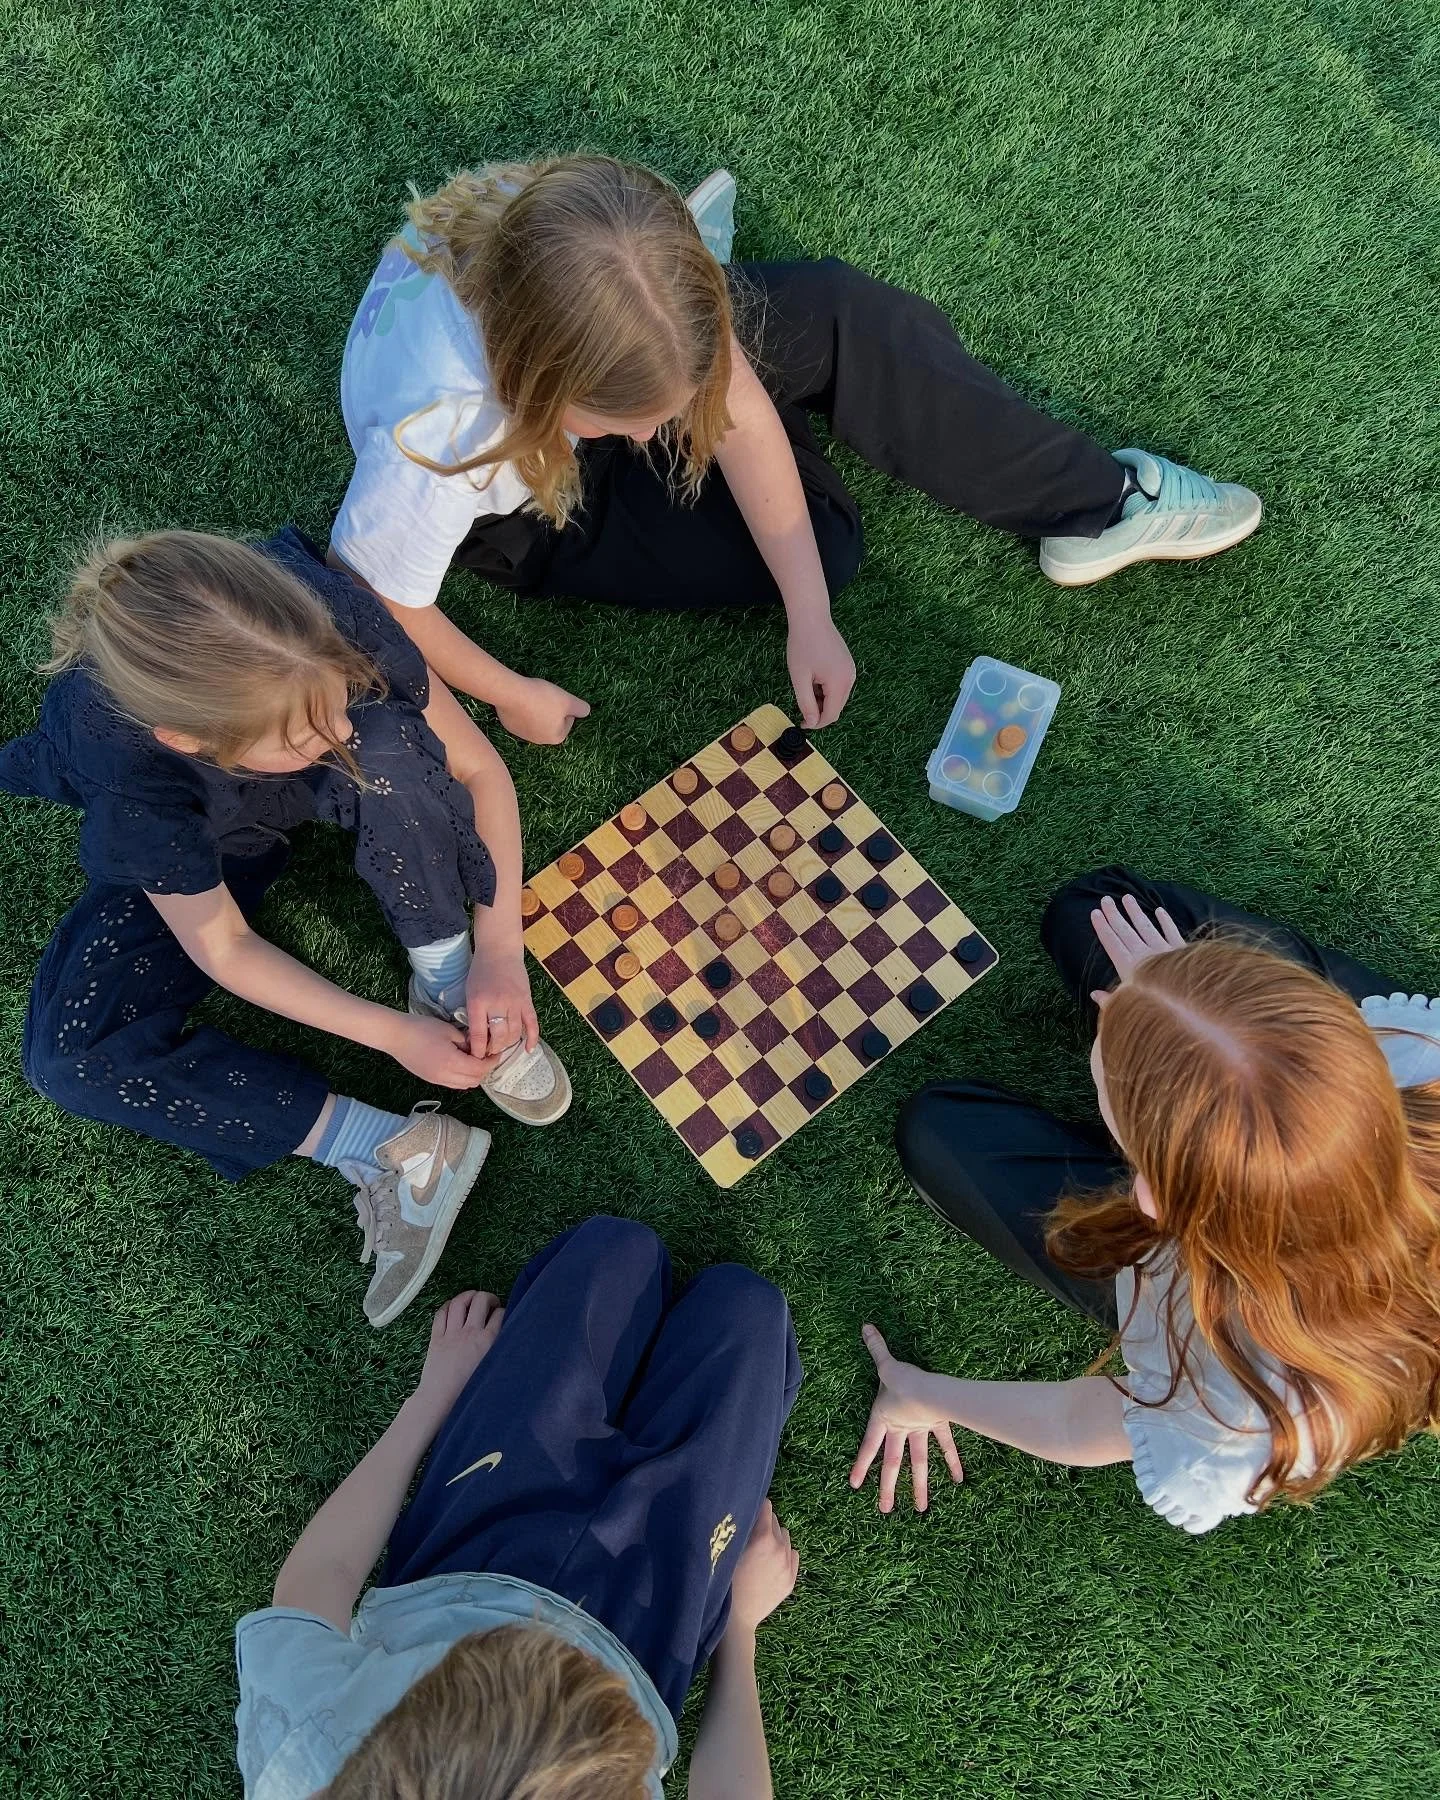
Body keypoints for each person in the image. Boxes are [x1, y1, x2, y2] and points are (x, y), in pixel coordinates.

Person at [328, 157, 1262, 741]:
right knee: (821, 535)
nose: (665, 436)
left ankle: (1099, 505)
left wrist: (807, 615)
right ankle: (681, 359)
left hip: (614, 342)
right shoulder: (446, 442)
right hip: (536, 507)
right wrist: (508, 692)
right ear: (550, 385)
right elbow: (376, 591)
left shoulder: (555, 219)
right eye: (638, 419)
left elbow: (722, 400)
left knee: (847, 314)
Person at [0, 527, 570, 1327]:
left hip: (256, 761)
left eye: (337, 700)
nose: (336, 734)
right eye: (305, 735)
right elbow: (223, 945)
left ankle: (443, 977)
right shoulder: (129, 776)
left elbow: (477, 768)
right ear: (194, 742)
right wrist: (388, 1036)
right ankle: (381, 1147)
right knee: (69, 1057)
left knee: (393, 753)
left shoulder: (324, 618)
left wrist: (499, 950)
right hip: (208, 835)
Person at [852, 866, 1440, 1533]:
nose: (1111, 1010)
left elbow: (1083, 1419)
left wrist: (922, 1394)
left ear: (1149, 1195)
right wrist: (1181, 1004)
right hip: (1265, 1128)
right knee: (1093, 908)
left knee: (937, 1132)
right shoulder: (1417, 1057)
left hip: (1194, 1272)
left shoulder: (1237, 1414)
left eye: (1110, 1072)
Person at [234, 1215, 803, 1798]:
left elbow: (314, 1581)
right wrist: (739, 1627)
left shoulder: (306, 1758)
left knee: (618, 1249)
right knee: (749, 1308)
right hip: (648, 1624)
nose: (551, 1638)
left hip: (471, 1551)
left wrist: (435, 1395)